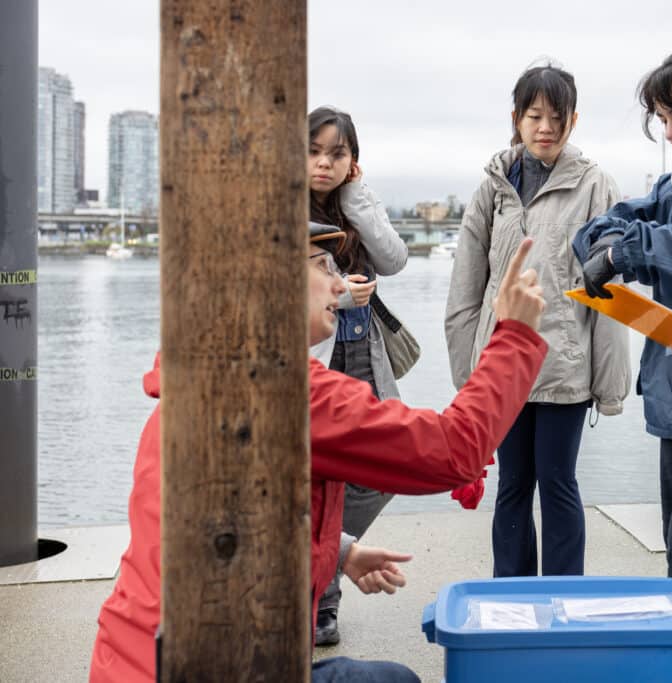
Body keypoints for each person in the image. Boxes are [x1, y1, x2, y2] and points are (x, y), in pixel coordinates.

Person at [89, 224, 549, 683]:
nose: (339, 283)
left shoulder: (203, 370)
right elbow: (456, 451)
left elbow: (231, 522)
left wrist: (341, 551)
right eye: (323, 265)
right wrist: (514, 335)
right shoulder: (286, 390)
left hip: (134, 661)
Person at [445, 62, 630, 578]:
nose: (545, 127)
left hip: (562, 368)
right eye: (534, 116)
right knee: (511, 485)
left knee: (557, 481)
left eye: (556, 116)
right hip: (501, 368)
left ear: (573, 121)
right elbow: (466, 287)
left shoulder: (596, 186)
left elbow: (611, 295)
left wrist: (608, 385)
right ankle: (512, 597)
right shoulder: (493, 188)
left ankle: (566, 597)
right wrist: (469, 377)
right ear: (516, 119)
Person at [572, 46, 672, 582]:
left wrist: (622, 253)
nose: (670, 132)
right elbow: (603, 224)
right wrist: (606, 246)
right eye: (663, 119)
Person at [306, 106, 410, 646]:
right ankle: (320, 592)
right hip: (313, 359)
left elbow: (394, 260)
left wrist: (358, 200)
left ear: (353, 161)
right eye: (314, 150)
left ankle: (324, 571)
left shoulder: (352, 205)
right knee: (313, 477)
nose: (324, 163)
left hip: (362, 356)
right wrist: (341, 293)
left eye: (337, 154)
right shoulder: (283, 209)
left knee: (379, 468)